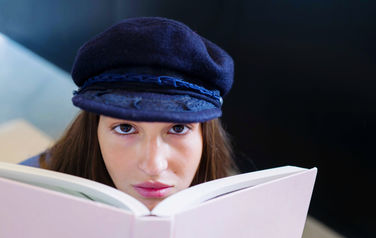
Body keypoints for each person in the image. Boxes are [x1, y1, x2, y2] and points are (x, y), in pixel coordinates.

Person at [21, 17, 237, 210]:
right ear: (93, 130)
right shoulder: (23, 193)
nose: (154, 166)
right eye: (125, 128)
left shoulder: (237, 203)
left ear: (205, 136)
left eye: (178, 128)